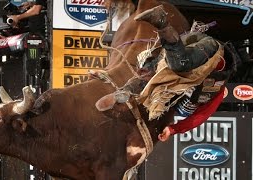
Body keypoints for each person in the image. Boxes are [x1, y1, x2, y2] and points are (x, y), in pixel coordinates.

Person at [95, 5, 239, 141]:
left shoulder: (176, 90)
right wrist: (175, 129)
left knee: (153, 73)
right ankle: (161, 21)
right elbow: (199, 117)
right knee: (179, 65)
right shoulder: (217, 91)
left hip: (188, 44)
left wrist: (172, 129)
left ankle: (122, 92)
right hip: (213, 53)